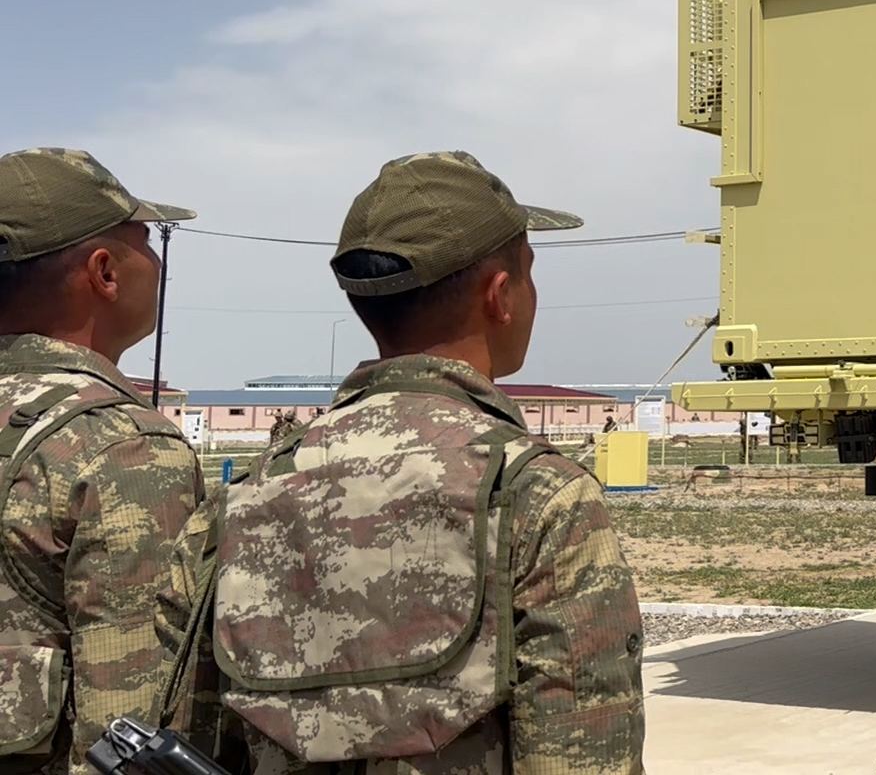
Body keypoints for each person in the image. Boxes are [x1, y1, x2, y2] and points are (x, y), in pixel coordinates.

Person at [179, 151, 646, 773]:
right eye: (529, 274)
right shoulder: (540, 494)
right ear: (501, 295)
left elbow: (193, 728)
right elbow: (583, 755)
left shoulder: (244, 498)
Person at [0, 147, 202, 772]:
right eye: (145, 237)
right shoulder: (119, 445)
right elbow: (128, 732)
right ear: (104, 271)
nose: (158, 260)